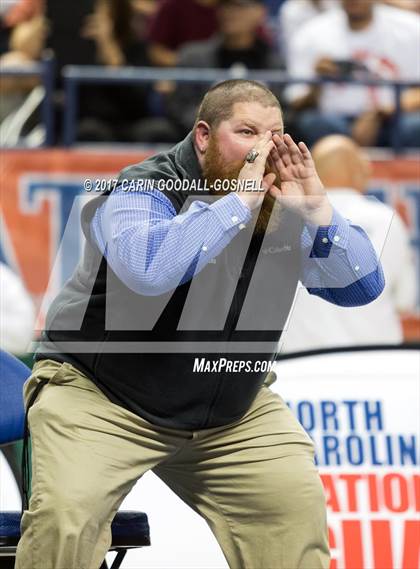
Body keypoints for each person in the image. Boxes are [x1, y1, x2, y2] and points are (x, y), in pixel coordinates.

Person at [16, 79, 385, 569]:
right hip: (103, 397)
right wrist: (238, 204)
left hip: (229, 412)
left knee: (293, 514)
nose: (264, 149)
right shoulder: (142, 187)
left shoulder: (285, 201)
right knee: (66, 520)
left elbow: (359, 288)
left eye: (274, 134)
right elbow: (150, 270)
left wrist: (318, 210)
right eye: (247, 132)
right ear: (204, 136)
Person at [280, 135, 416, 353]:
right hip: (376, 364)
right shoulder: (387, 219)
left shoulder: (286, 221)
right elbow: (405, 302)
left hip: (300, 366)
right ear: (357, 171)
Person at [285, 0, 420, 147]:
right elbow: (296, 101)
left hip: (394, 118)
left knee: (413, 125)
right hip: (335, 121)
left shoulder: (410, 28)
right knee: (313, 122)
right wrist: (317, 84)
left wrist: (383, 111)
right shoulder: (311, 33)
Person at [164, 0, 284, 139]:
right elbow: (180, 107)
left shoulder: (273, 62)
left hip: (261, 138)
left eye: (238, 7)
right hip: (202, 136)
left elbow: (281, 109)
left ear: (259, 12)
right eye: (224, 6)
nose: (229, 13)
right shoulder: (193, 56)